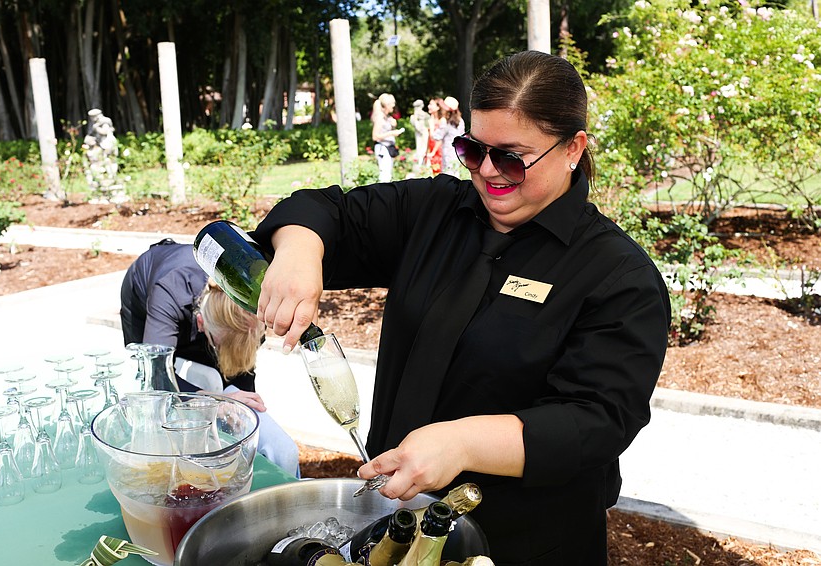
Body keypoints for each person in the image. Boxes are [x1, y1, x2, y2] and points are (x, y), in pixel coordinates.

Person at [250, 51, 670, 564]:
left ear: (573, 149)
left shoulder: (617, 276)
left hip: (524, 541)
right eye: (473, 149)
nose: (489, 172)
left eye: (512, 157)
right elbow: (326, 210)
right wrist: (299, 251)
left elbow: (598, 420)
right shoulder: (434, 211)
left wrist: (464, 443)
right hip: (397, 524)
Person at [119, 240, 300, 477]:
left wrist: (243, 413)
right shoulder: (169, 292)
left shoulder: (250, 309)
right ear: (202, 325)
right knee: (153, 387)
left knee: (230, 387)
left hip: (216, 320)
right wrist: (211, 401)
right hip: (144, 291)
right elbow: (158, 379)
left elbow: (243, 374)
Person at [371, 93, 404, 182]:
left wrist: (393, 126)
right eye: (392, 104)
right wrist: (391, 133)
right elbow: (375, 136)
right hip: (383, 148)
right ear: (386, 105)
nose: (393, 106)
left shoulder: (387, 117)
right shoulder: (380, 117)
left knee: (388, 174)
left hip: (388, 148)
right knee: (384, 176)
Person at [434, 96, 466, 177]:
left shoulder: (446, 122)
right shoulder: (460, 121)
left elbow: (436, 136)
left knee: (447, 174)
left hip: (448, 151)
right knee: (456, 174)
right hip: (458, 152)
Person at [425, 98, 444, 175]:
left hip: (439, 150)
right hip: (432, 149)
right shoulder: (431, 119)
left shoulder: (442, 120)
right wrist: (426, 151)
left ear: (438, 107)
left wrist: (433, 152)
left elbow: (436, 137)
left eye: (431, 104)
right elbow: (429, 138)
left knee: (439, 172)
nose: (429, 106)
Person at [409, 99, 430, 170]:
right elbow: (414, 123)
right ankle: (420, 163)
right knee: (419, 147)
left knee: (424, 147)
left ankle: (423, 163)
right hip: (419, 132)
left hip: (424, 131)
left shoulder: (425, 115)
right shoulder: (415, 116)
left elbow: (428, 125)